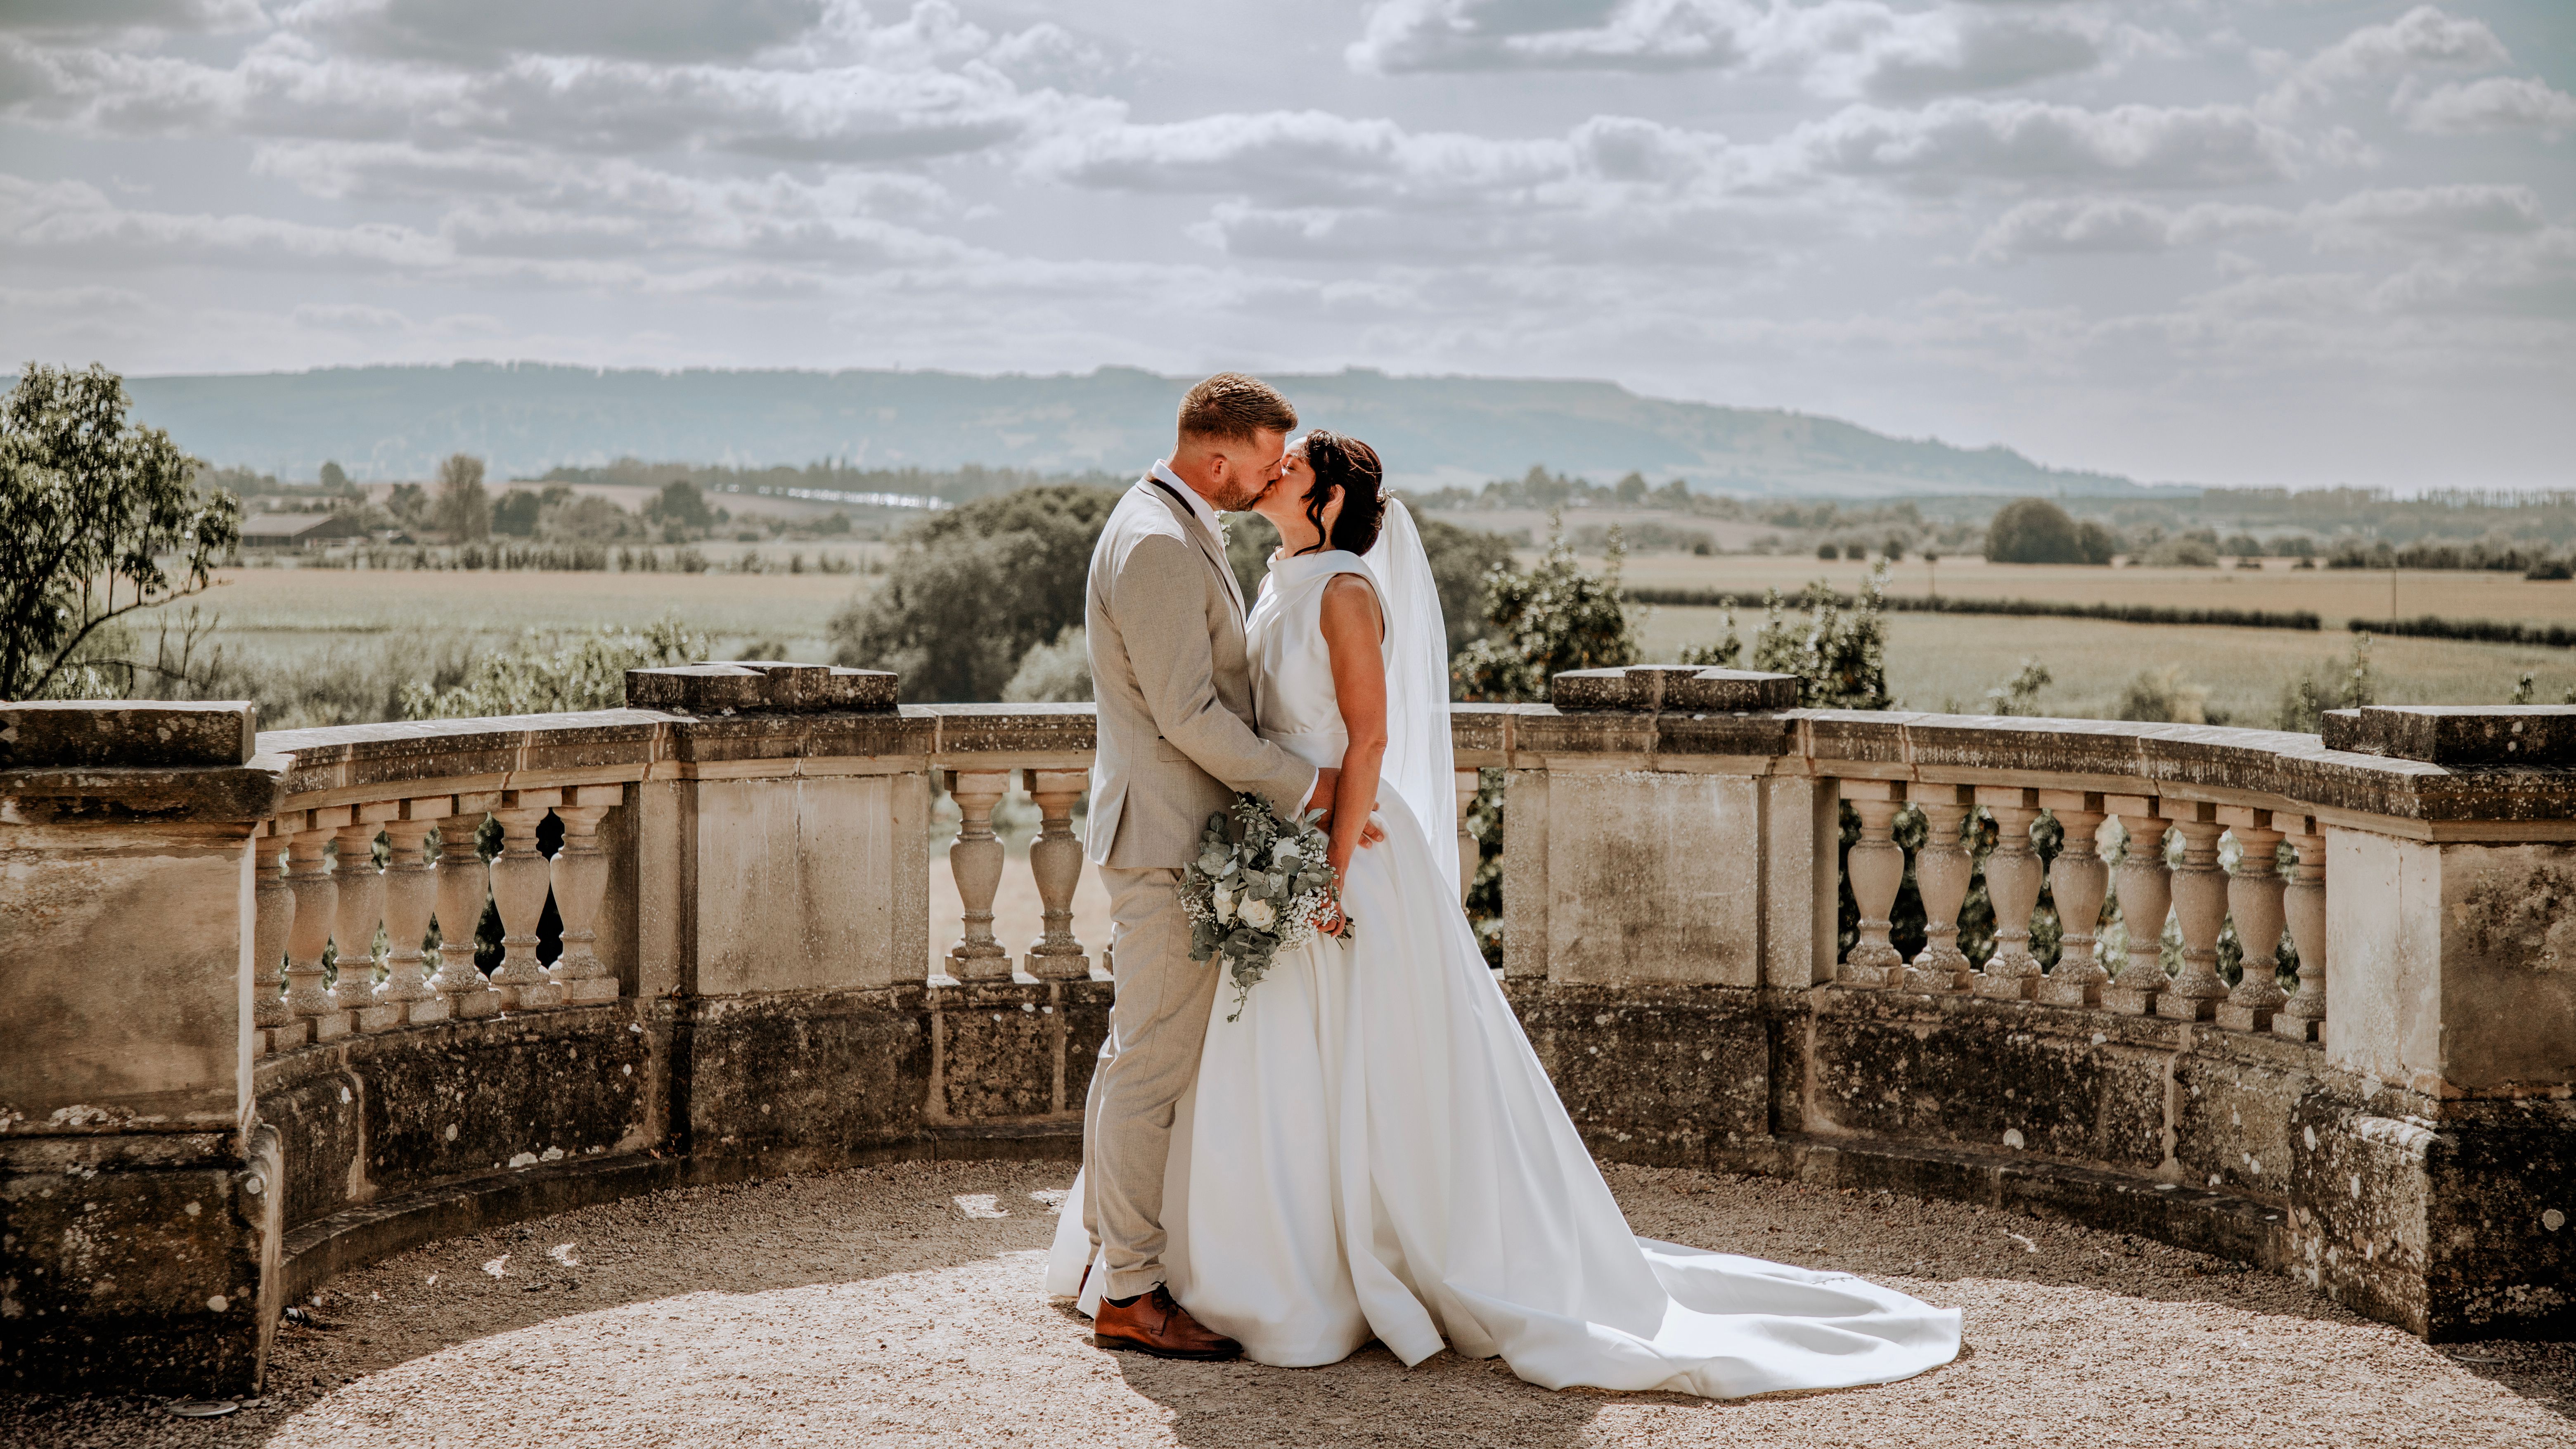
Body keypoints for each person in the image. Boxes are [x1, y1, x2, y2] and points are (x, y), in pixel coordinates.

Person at [1060, 400, 1963, 1398]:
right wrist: (1298, 804)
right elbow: (1201, 712)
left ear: (1323, 498)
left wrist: (1330, 847)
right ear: (1225, 455)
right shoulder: (1216, 553)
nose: (1269, 476)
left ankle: (1283, 1264)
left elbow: (1364, 741)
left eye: (1290, 466)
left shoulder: (1327, 585)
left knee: (1332, 1066)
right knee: (1197, 1060)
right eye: (1267, 460)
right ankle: (1168, 1270)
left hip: (1328, 845)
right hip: (1253, 835)